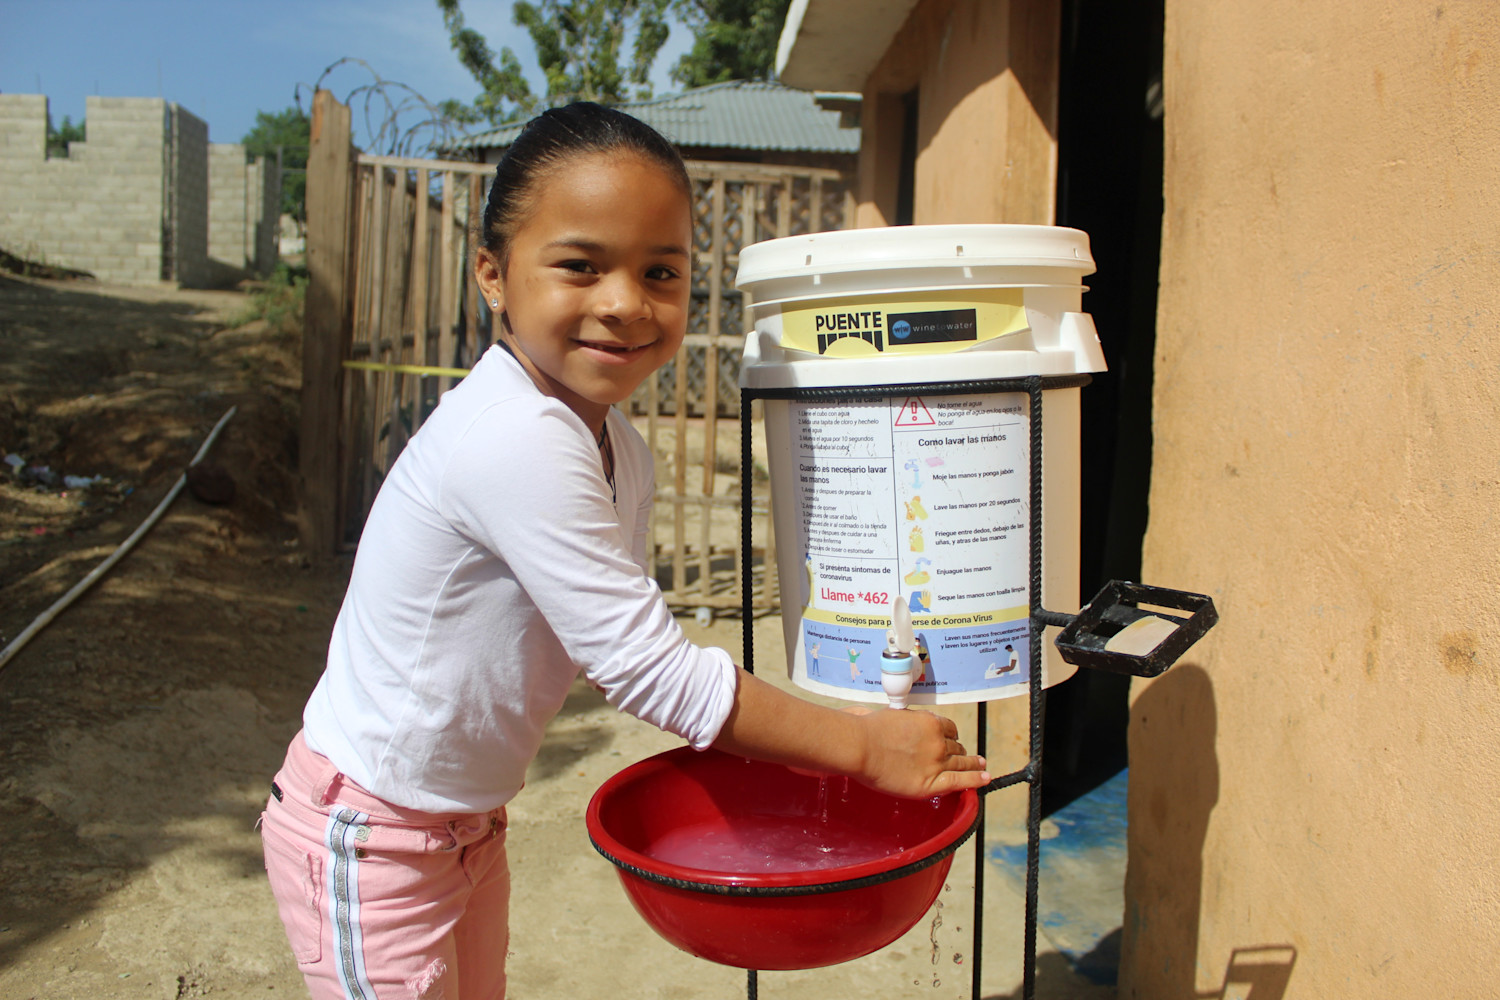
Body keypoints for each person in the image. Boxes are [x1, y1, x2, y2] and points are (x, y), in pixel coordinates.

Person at [259, 101, 989, 1000]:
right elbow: (648, 671)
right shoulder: (514, 434)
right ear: (493, 274)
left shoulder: (618, 450)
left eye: (661, 271)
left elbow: (633, 647)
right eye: (580, 265)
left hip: (463, 827)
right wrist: (863, 750)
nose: (624, 303)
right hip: (372, 833)